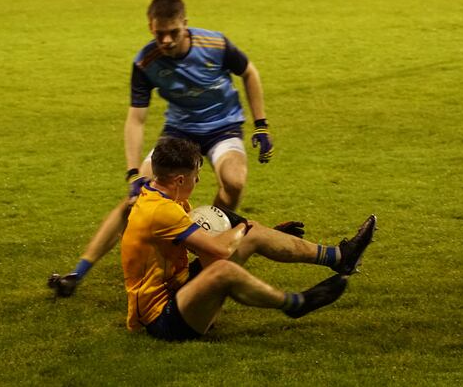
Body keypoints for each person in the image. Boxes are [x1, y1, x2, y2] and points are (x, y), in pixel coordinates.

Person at [49, 0, 276, 297]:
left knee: (234, 182)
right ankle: (77, 274)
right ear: (150, 28)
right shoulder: (146, 61)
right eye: (159, 34)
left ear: (185, 24)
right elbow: (136, 119)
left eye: (173, 32)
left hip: (223, 127)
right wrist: (133, 174)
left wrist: (260, 123)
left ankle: (204, 249)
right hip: (179, 132)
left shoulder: (215, 45)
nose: (166, 40)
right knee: (135, 200)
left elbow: (249, 72)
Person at [121, 136, 376, 340]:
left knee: (250, 234)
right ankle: (296, 303)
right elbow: (218, 250)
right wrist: (243, 226)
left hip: (180, 289)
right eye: (195, 175)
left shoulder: (162, 196)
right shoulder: (160, 211)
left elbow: (203, 247)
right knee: (223, 268)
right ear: (178, 179)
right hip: (163, 319)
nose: (198, 180)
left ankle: (341, 257)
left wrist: (259, 231)